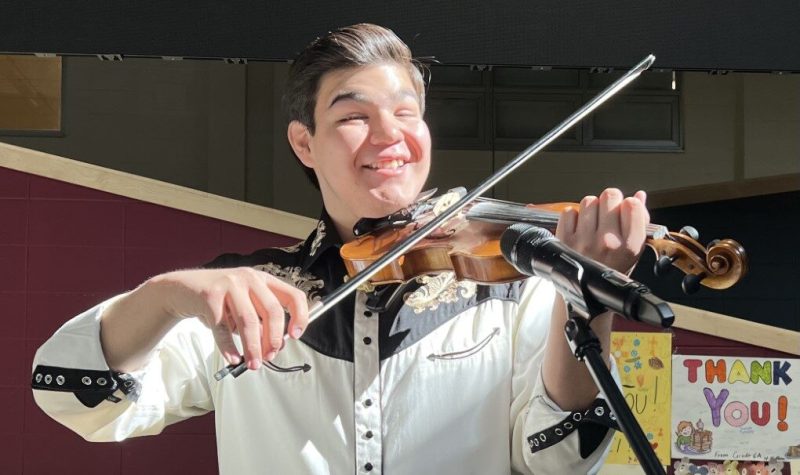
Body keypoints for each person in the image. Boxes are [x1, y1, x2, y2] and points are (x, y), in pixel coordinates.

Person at [32, 23, 650, 474]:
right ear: (305, 143)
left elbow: (557, 460)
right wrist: (167, 295)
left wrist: (584, 300)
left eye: (406, 112)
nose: (390, 136)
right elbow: (74, 399)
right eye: (354, 116)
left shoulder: (512, 285)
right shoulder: (243, 297)